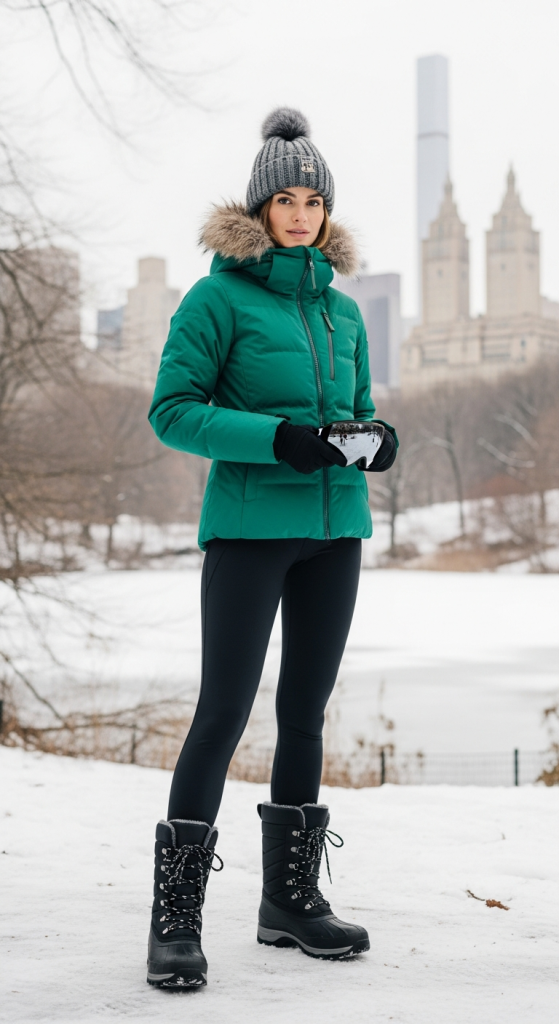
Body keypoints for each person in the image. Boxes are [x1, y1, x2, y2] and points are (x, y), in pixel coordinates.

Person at [145, 107, 398, 989]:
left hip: (335, 534)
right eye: (284, 200)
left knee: (305, 713)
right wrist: (278, 438)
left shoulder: (342, 312)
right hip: (249, 531)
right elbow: (173, 412)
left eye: (313, 201)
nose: (299, 214)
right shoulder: (215, 299)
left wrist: (374, 439)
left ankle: (288, 902)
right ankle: (176, 921)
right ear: (259, 209)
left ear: (327, 212)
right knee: (221, 712)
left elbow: (355, 407)